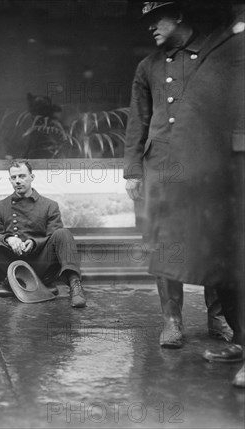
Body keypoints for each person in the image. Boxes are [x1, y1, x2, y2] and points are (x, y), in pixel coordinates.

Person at [123, 1, 231, 348]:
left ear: (179, 16)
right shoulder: (148, 66)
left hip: (208, 163)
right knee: (165, 241)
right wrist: (133, 171)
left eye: (157, 19)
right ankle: (171, 320)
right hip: (162, 166)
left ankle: (221, 318)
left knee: (214, 238)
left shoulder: (215, 56)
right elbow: (137, 121)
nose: (150, 27)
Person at [150, 2, 244, 387]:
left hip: (225, 166)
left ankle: (227, 326)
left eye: (158, 18)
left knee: (229, 249)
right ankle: (224, 334)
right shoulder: (155, 65)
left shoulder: (222, 51)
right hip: (189, 168)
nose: (151, 27)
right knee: (190, 247)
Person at [0, 159, 85, 309]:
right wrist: (8, 239)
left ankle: (76, 288)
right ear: (10, 180)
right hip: (7, 266)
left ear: (32, 177)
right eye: (14, 177)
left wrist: (35, 242)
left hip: (39, 266)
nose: (18, 181)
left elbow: (53, 237)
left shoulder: (49, 206)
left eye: (22, 176)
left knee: (63, 233)